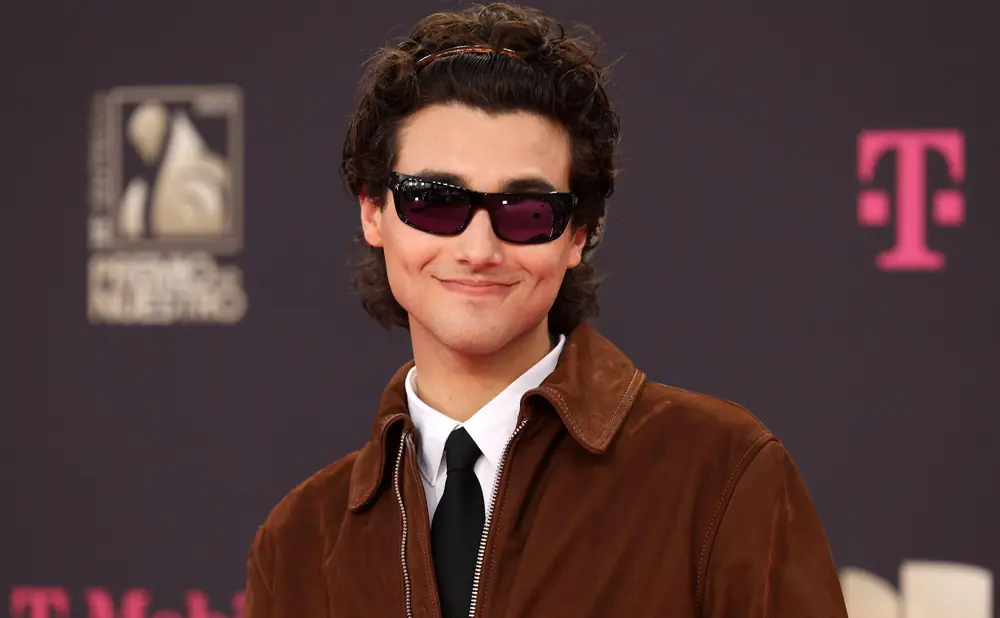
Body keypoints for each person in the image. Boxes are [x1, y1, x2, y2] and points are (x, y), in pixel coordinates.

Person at [243, 3, 849, 616]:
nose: (478, 250)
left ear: (578, 234)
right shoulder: (299, 543)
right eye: (435, 201)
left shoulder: (719, 473)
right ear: (373, 211)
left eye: (526, 212)